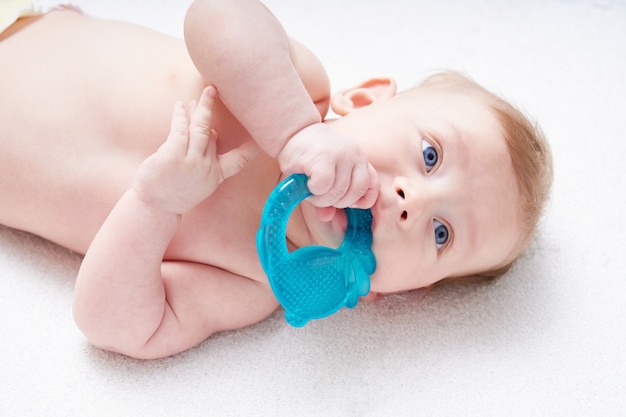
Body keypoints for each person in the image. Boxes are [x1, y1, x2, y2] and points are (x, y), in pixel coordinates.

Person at [0, 0, 552, 359]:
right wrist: (291, 131)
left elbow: (113, 325)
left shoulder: (250, 284)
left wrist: (154, 204)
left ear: (397, 292)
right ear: (362, 99)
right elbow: (214, 15)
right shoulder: (294, 87)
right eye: (430, 155)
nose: (413, 202)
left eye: (441, 234)